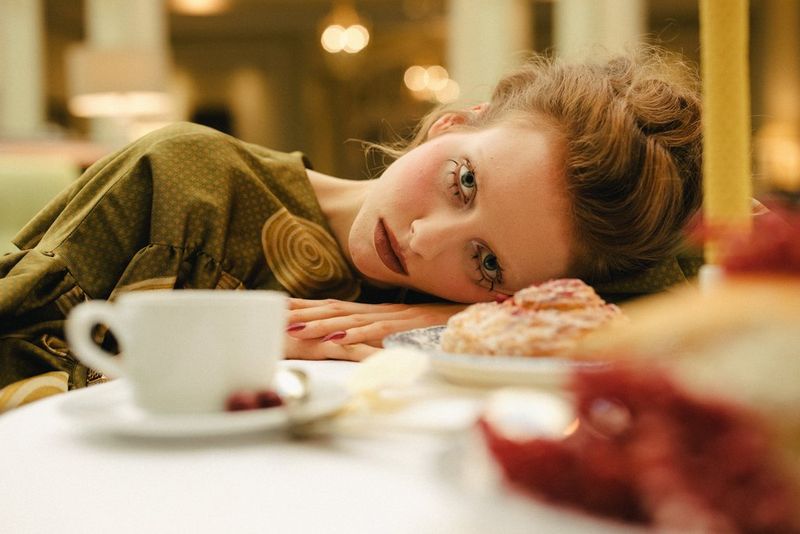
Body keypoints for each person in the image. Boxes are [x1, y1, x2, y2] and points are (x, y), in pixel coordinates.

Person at [0, 47, 702, 403]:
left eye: (486, 261)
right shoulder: (187, 178)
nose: (426, 240)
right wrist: (208, 357)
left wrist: (449, 321)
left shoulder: (457, 309)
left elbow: (702, 299)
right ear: (452, 123)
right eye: (463, 182)